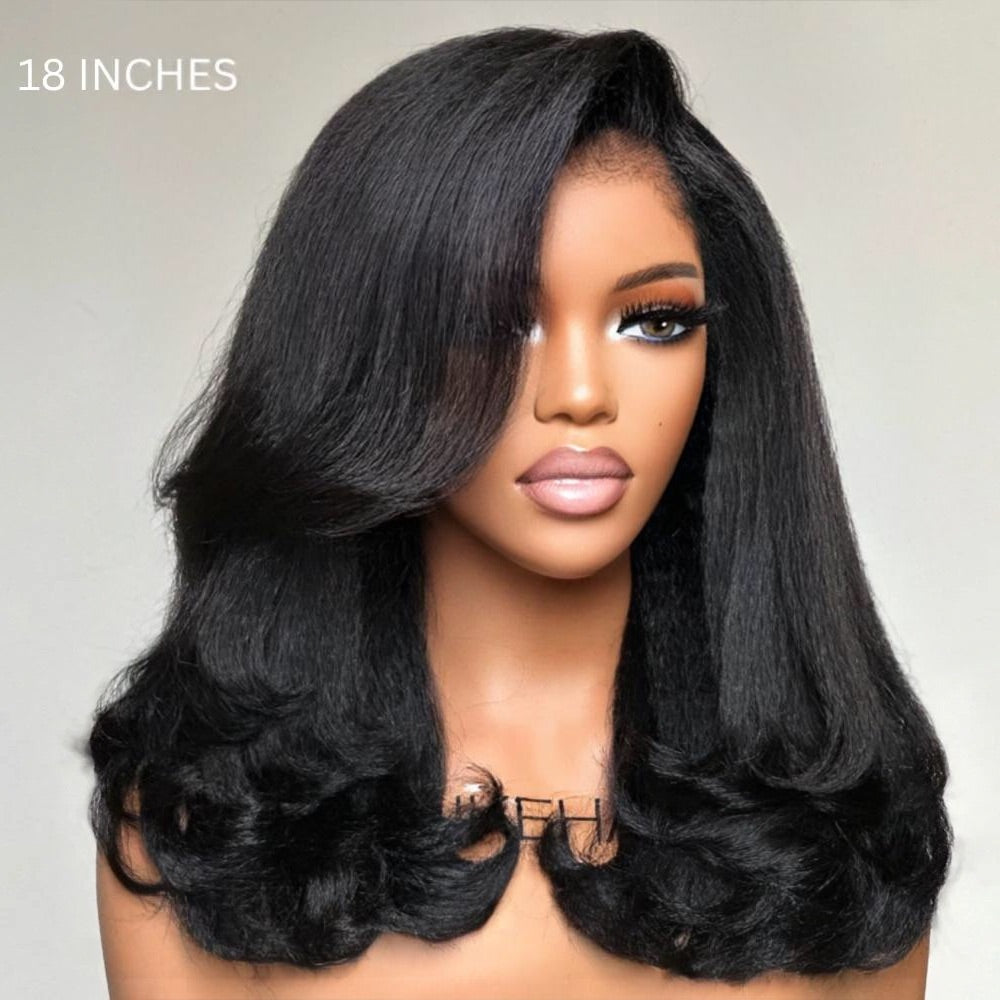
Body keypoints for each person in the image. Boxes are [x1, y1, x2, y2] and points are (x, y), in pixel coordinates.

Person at [86, 25, 952, 999]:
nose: (580, 394)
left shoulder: (836, 826)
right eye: (498, 320)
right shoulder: (207, 824)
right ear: (366, 352)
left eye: (653, 321)